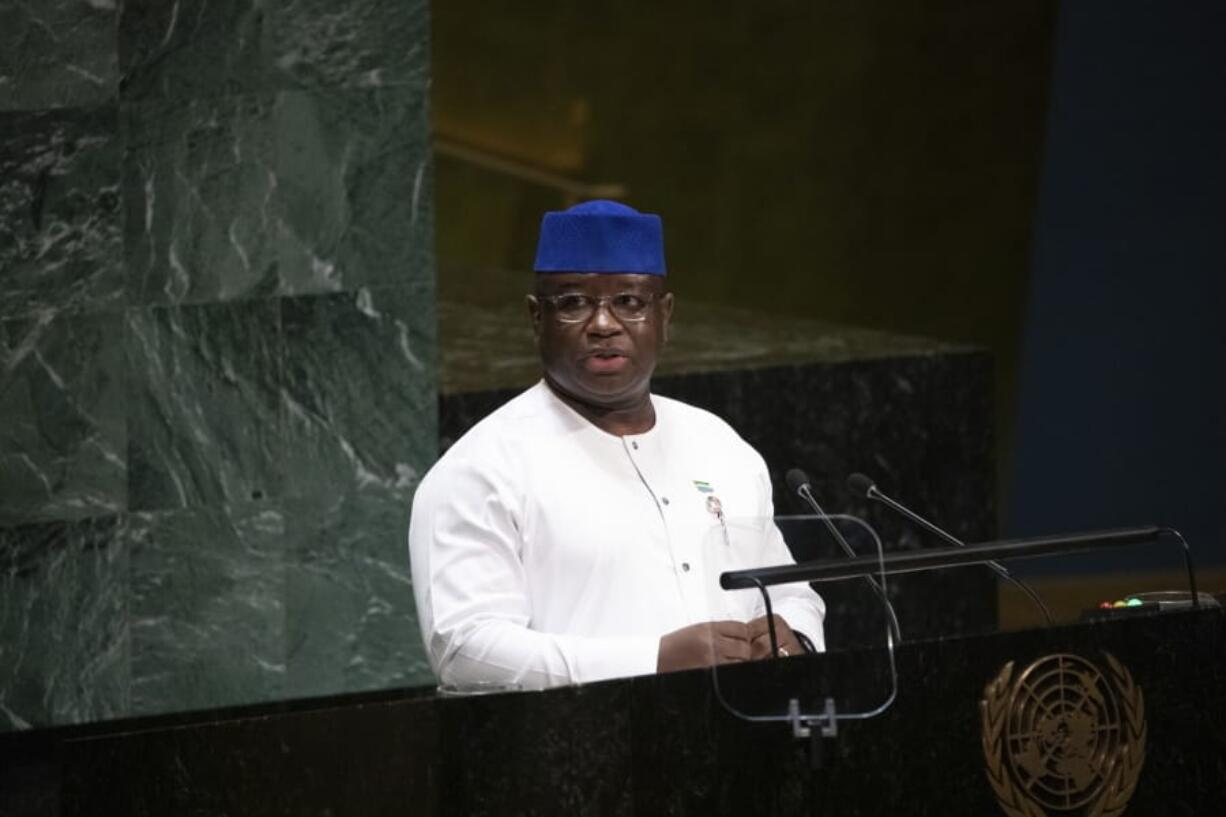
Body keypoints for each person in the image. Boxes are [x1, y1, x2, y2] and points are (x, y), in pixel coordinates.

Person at [408, 200, 825, 689]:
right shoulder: (482, 469)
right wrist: (654, 658)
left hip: (740, 744)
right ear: (536, 318)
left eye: (629, 302)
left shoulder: (721, 446)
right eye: (574, 303)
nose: (603, 324)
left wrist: (795, 635)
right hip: (576, 753)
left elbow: (793, 593)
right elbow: (465, 649)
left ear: (665, 316)